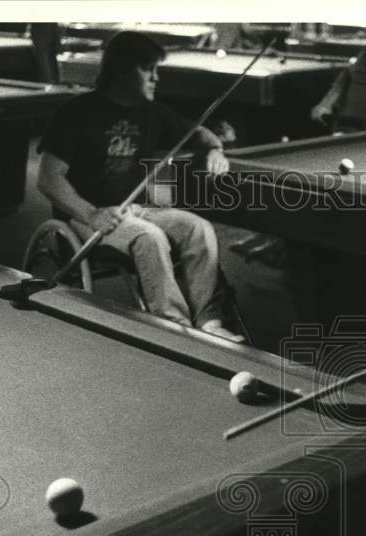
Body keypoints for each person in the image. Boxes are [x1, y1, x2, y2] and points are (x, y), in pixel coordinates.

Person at [37, 31, 244, 341]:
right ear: (121, 71)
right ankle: (174, 326)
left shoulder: (153, 113)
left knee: (198, 228)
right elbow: (48, 178)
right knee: (150, 238)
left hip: (137, 209)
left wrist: (215, 150)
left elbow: (200, 134)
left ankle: (209, 321)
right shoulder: (76, 114)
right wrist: (91, 213)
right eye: (148, 69)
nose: (156, 78)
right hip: (86, 218)